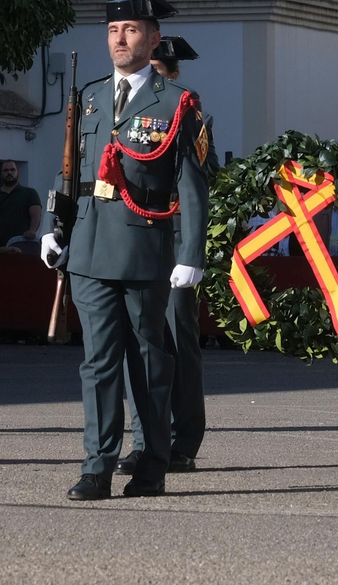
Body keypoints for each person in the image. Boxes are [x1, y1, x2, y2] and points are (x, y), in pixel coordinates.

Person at [42, 0, 211, 501]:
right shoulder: (90, 96)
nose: (120, 38)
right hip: (91, 244)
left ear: (153, 39)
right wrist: (55, 223)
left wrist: (191, 255)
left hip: (144, 244)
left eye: (132, 30)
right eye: (114, 29)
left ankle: (153, 463)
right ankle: (97, 464)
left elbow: (191, 183)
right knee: (97, 362)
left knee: (148, 361)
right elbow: (70, 166)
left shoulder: (177, 102)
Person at [123, 33, 220, 474]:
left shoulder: (187, 112)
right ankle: (145, 439)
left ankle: (184, 438)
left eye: (160, 74)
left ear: (173, 74)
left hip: (175, 233)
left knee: (178, 340)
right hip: (135, 234)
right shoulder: (120, 108)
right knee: (141, 342)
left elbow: (204, 176)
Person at [0, 160, 44, 255]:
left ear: (17, 172)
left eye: (12, 170)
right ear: (1, 173)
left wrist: (32, 231)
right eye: (6, 170)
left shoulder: (30, 193)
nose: (9, 173)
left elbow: (36, 215)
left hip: (22, 245)